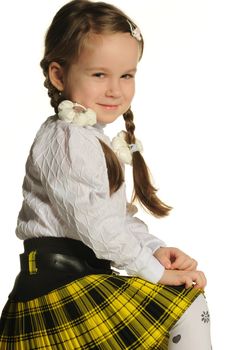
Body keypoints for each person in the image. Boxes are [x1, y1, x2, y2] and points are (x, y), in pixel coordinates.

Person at [0, 1, 212, 349]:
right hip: (59, 284)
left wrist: (155, 252)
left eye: (126, 75)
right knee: (183, 306)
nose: (116, 89)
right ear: (58, 75)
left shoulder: (87, 137)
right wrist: (156, 272)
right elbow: (97, 226)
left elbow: (113, 220)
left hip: (84, 276)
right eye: (99, 74)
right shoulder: (67, 138)